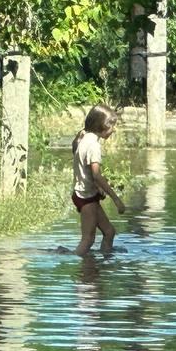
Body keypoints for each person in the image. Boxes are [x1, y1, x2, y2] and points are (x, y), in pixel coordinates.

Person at [72, 104, 125, 255]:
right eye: (111, 126)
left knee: (109, 232)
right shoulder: (93, 145)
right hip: (86, 197)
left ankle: (103, 265)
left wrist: (98, 188)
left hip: (87, 194)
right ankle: (81, 271)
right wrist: (116, 199)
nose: (113, 130)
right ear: (102, 126)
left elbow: (86, 171)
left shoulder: (84, 138)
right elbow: (96, 175)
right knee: (88, 239)